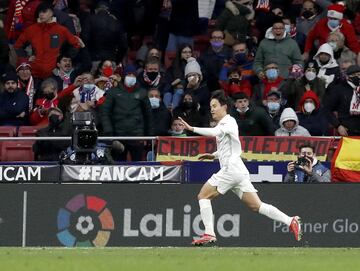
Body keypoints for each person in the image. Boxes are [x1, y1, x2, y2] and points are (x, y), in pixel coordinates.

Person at [178, 90, 302, 246]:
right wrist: (214, 155)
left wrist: (191, 128)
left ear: (224, 106)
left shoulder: (228, 121)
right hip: (238, 170)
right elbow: (229, 147)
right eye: (211, 106)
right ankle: (290, 221)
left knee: (203, 196)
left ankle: (209, 233)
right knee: (257, 206)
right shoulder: (226, 124)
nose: (212, 109)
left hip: (231, 170)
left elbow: (214, 132)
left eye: (215, 106)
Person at [14, 2, 83, 79]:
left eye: (44, 12)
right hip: (33, 73)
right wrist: (26, 59)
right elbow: (17, 46)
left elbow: (76, 44)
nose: (41, 14)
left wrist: (63, 58)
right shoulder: (31, 30)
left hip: (53, 73)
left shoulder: (61, 30)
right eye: (39, 12)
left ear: (51, 12)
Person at [323, 65, 360, 136]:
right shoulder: (338, 89)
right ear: (347, 76)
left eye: (359, 74)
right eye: (354, 75)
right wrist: (338, 126)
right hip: (347, 131)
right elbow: (327, 109)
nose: (357, 77)